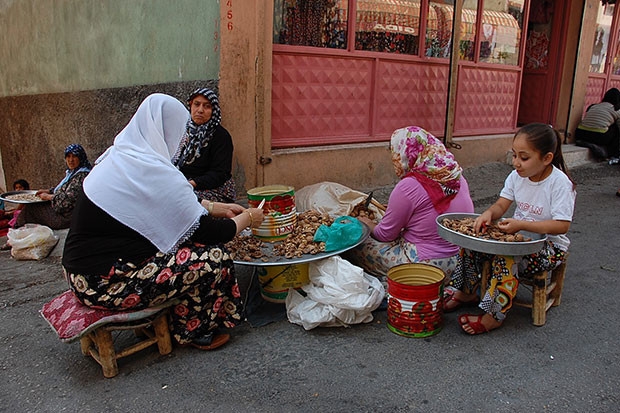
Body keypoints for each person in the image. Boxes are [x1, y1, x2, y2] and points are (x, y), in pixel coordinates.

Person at [61, 93, 265, 350]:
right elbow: (212, 232)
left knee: (184, 247)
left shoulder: (121, 158)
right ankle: (194, 330)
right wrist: (248, 217)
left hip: (80, 274)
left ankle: (175, 315)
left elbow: (163, 205)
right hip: (105, 284)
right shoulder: (154, 172)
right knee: (213, 258)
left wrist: (217, 208)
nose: (181, 141)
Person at [446, 123, 576, 335]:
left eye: (524, 158)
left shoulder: (559, 183)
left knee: (505, 258)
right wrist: (489, 213)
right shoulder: (517, 177)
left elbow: (562, 225)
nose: (516, 162)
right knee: (473, 241)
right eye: (514, 155)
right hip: (518, 237)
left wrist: (522, 224)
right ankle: (466, 291)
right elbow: (501, 205)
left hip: (549, 247)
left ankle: (494, 315)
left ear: (546, 158)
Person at [343, 126, 475, 283]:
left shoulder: (408, 186)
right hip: (460, 262)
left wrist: (366, 223)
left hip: (425, 267)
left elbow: (384, 235)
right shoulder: (456, 176)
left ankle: (397, 280)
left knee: (357, 242)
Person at [174, 87, 237, 203]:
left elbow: (220, 173)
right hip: (183, 185)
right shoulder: (181, 131)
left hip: (214, 188)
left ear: (213, 110)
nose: (200, 110)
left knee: (183, 199)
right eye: (196, 104)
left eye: (207, 106)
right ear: (190, 105)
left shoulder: (221, 136)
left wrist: (191, 184)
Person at [15, 145, 91, 230]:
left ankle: (17, 228)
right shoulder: (72, 173)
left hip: (67, 217)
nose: (71, 160)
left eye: (74, 156)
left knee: (31, 209)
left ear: (80, 158)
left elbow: (67, 200)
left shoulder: (81, 176)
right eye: (68, 156)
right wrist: (49, 191)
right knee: (34, 205)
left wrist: (48, 197)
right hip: (64, 213)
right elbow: (63, 189)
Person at [574, 87, 620, 161]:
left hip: (580, 133)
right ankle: (608, 152)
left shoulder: (593, 106)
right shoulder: (616, 109)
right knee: (616, 128)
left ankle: (585, 142)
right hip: (599, 137)